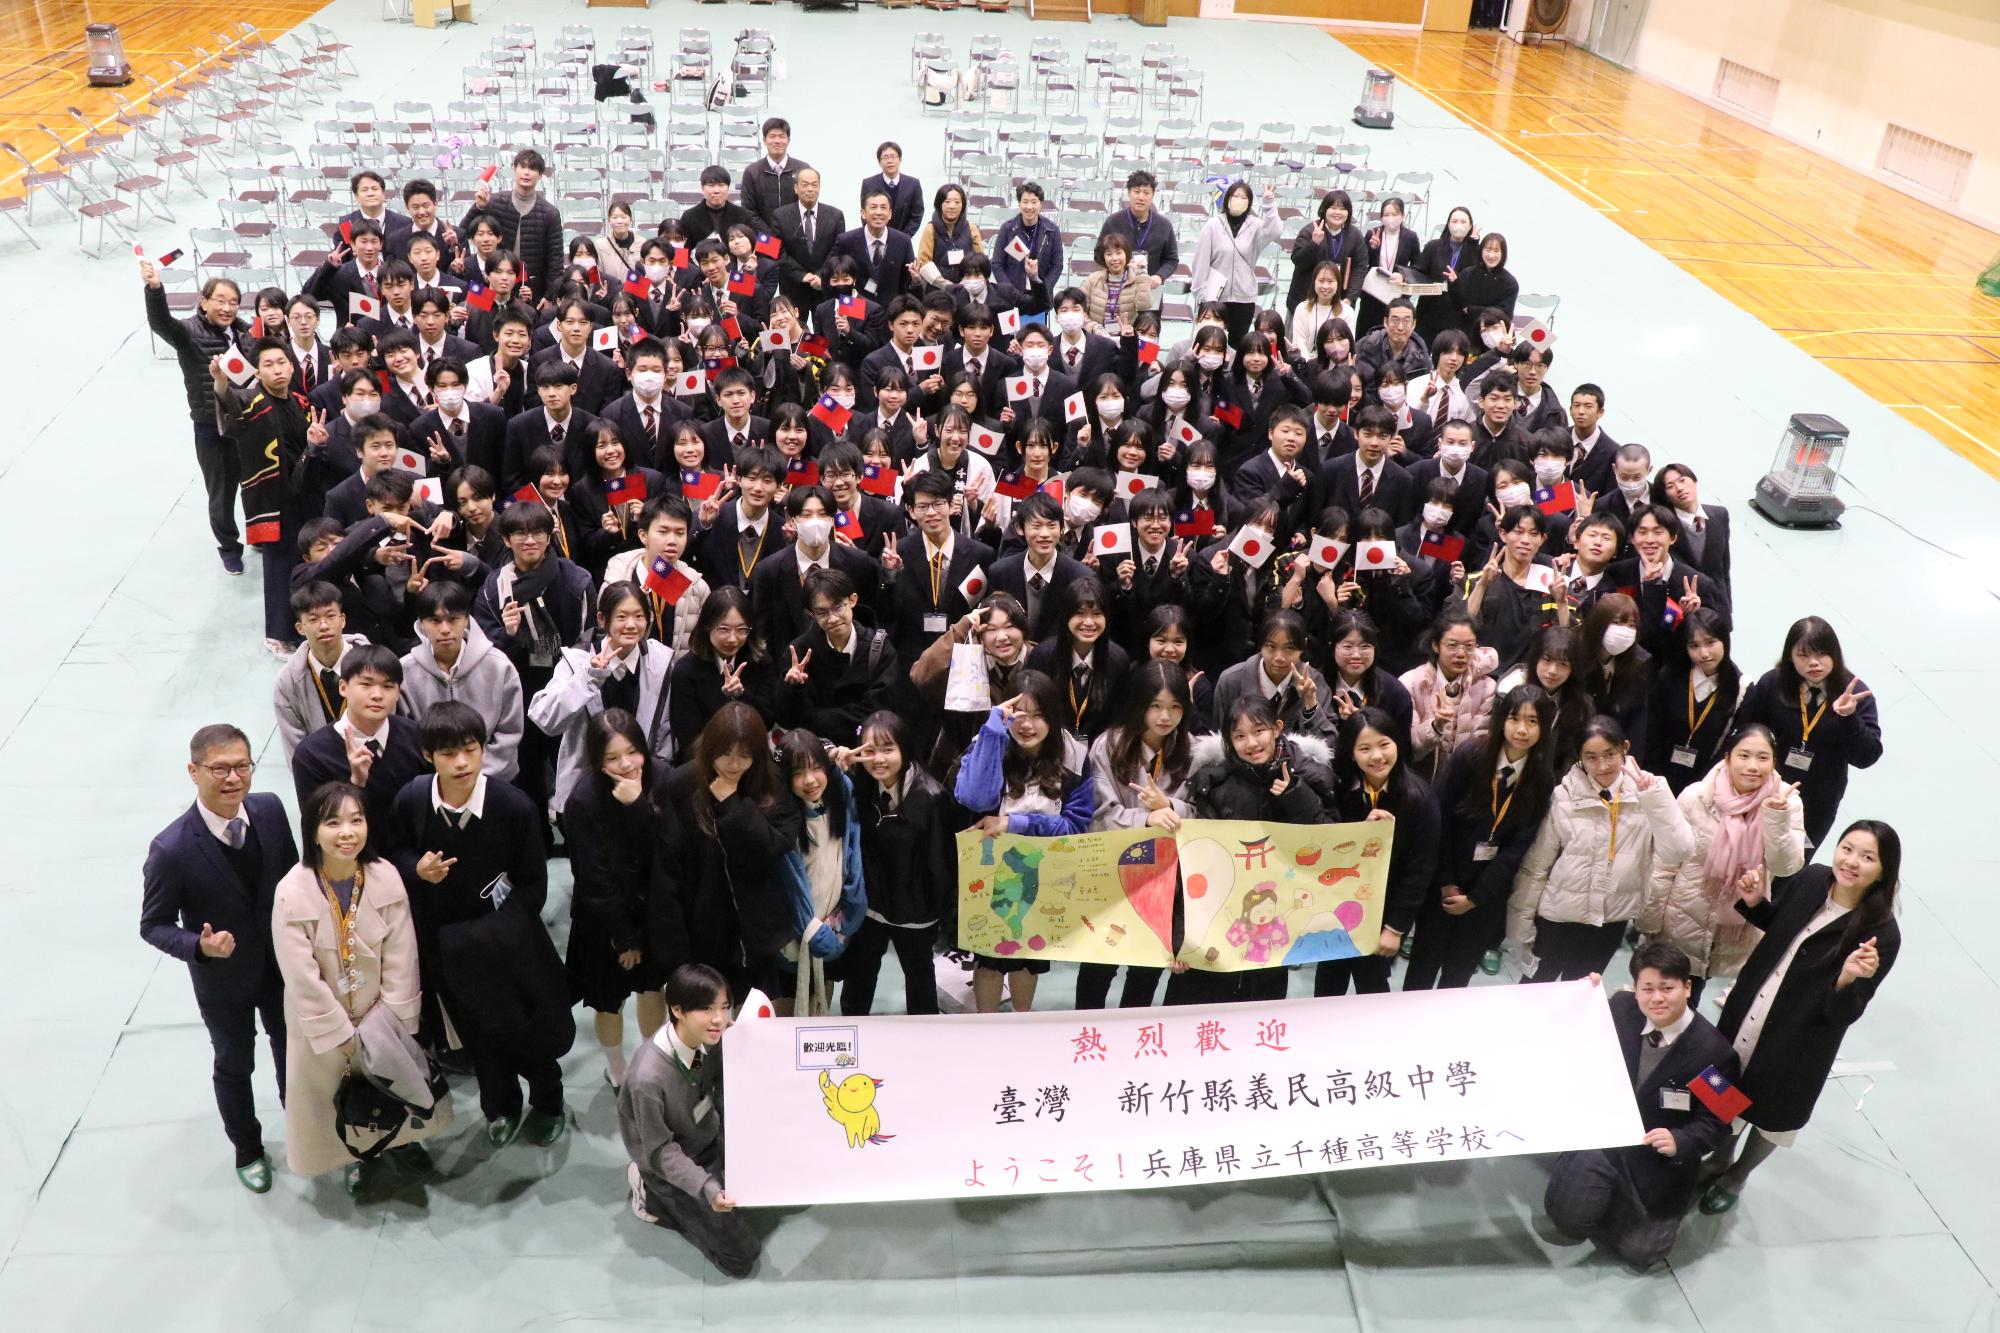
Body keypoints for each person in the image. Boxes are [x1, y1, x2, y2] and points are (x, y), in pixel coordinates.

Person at [1701, 819, 1901, 1214]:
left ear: (1883, 871)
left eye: (1867, 857)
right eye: (1847, 849)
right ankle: (1719, 1157)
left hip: (1798, 1039)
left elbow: (1847, 1011)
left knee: (1773, 1114)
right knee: (1722, 1086)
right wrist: (1756, 902)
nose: (1851, 862)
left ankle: (1737, 1176)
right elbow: (1779, 925)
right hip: (1750, 1007)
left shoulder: (1882, 934)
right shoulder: (1811, 879)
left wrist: (1847, 978)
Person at [392, 701, 568, 1147]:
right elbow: (394, 853)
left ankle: (548, 1102)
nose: (462, 762)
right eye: (449, 753)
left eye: (470, 749)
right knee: (479, 1038)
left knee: (528, 1032)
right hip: (449, 952)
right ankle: (500, 1107)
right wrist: (416, 869)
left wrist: (490, 935)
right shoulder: (412, 799)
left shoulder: (514, 807)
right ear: (428, 755)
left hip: (508, 947)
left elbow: (533, 886)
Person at [139, 725, 300, 1192]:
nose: (233, 778)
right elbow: (153, 924)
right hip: (224, 979)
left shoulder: (270, 810)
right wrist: (199, 947)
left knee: (294, 1050)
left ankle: (303, 1128)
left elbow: (294, 877)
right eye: (220, 769)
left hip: (282, 964)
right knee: (235, 1062)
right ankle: (247, 1147)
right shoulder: (171, 849)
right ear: (194, 772)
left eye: (242, 766)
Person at [272, 781, 446, 1194]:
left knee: (394, 1084)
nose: (347, 832)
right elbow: (300, 975)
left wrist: (391, 1017)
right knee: (330, 1098)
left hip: (381, 1019)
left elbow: (402, 952)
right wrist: (340, 1031)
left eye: (356, 820)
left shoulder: (385, 877)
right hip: (323, 1026)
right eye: (333, 823)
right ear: (313, 832)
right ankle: (347, 1154)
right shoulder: (292, 891)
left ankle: (401, 1143)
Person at [1542, 944, 1738, 1271]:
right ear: (1635, 989)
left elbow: (1721, 1119)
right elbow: (1571, 1027)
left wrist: (1681, 1141)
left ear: (1687, 987)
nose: (1656, 998)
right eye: (1647, 988)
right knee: (1566, 1221)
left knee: (1642, 1254)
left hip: (1659, 1160)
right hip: (1606, 1137)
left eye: (1667, 988)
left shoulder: (1714, 1053)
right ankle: (1582, 1171)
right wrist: (1582, 994)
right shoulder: (1621, 1009)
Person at [1168, 694, 1336, 1005]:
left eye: (1259, 731)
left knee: (1260, 1017)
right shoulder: (1213, 782)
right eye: (1240, 736)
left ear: (1277, 728)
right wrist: (1182, 938)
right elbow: (1193, 867)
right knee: (1199, 1016)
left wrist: (1295, 795)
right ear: (1229, 740)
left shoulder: (1310, 775)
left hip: (1277, 923)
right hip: (1218, 925)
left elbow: (1327, 841)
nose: (1251, 743)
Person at [1507, 715, 1694, 982]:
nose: (1603, 765)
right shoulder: (1564, 797)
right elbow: (1536, 867)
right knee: (1536, 990)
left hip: (1612, 920)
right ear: (1580, 758)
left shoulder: (1648, 794)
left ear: (1625, 748)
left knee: (1584, 992)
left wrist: (1655, 798)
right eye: (1591, 757)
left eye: (1610, 754)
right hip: (1560, 917)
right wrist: (1521, 925)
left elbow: (1679, 851)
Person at [952, 671, 1097, 1013]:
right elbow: (972, 798)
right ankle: (987, 1027)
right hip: (989, 871)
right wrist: (993, 730)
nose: (1027, 725)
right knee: (988, 957)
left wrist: (1013, 824)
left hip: (1044, 874)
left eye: (1038, 715)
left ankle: (1021, 1023)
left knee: (1028, 958)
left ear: (1053, 717)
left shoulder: (1074, 756)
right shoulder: (989, 739)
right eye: (1019, 713)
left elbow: (1075, 828)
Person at [1404, 685, 1558, 990]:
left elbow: (1517, 848)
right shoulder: (1470, 756)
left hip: (1486, 895)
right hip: (1443, 883)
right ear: (1502, 719)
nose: (1522, 729)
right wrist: (1446, 882)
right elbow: (1439, 820)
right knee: (1421, 970)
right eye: (1515, 718)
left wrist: (1476, 898)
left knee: (1458, 976)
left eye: (1533, 721)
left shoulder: (1542, 777)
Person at [1639, 726, 1806, 1001]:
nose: (1753, 766)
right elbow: (1666, 862)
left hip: (1732, 928)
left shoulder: (1787, 803)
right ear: (1728, 757)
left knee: (1690, 1000)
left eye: (1763, 758)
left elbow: (1786, 866)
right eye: (1744, 755)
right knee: (1659, 998)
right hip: (1681, 918)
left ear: (1774, 761)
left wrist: (1776, 818)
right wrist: (1649, 921)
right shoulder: (1696, 796)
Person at [618, 962, 760, 1279]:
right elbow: (660, 1150)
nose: (719, 1019)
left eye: (724, 1006)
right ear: (677, 1010)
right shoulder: (647, 1078)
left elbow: (723, 1085)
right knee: (742, 1257)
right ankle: (650, 1192)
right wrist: (706, 1187)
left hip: (708, 1135)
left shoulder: (712, 1036)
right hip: (671, 1158)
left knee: (769, 1191)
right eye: (707, 1009)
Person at [1077, 660, 1196, 1010]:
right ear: (1139, 704)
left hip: (1165, 877)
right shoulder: (1107, 745)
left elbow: (1203, 812)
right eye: (1155, 705)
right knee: (1099, 961)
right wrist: (1146, 819)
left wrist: (1170, 806)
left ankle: (1134, 1028)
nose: (1165, 716)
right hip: (1114, 873)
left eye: (1175, 707)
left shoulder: (1193, 749)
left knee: (1148, 965)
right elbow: (1097, 815)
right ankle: (1086, 1027)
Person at [566, 709, 668, 1087]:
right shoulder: (583, 799)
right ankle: (617, 1069)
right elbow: (593, 878)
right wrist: (624, 937)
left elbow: (669, 848)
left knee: (652, 989)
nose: (625, 764)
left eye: (632, 752)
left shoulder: (663, 777)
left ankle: (651, 1064)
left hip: (652, 909)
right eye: (612, 757)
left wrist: (639, 806)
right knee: (609, 1000)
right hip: (604, 920)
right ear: (597, 760)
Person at [1316, 705, 1440, 996]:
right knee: (1328, 983)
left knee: (1372, 984)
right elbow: (1324, 844)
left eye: (1384, 744)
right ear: (1351, 753)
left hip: (1383, 912)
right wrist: (1361, 832)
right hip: (1336, 906)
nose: (1377, 756)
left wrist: (1395, 928)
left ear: (1397, 743)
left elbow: (1419, 872)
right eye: (1365, 748)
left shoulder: (1419, 799)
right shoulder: (1337, 789)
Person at [837, 711, 954, 1016]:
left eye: (888, 749)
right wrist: (836, 764)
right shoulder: (859, 786)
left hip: (915, 911)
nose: (879, 759)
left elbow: (942, 865)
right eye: (869, 751)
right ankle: (853, 1032)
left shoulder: (931, 797)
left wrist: (938, 914)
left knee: (919, 979)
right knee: (859, 975)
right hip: (871, 904)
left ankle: (924, 1035)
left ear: (904, 748)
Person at [1736, 616, 1881, 854]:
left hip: (1818, 802)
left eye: (1822, 654)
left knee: (1794, 863)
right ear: (1790, 657)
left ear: (1835, 654)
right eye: (1803, 655)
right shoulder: (1772, 683)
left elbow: (1866, 757)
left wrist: (1849, 718)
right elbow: (1746, 733)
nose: (1814, 663)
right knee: (1747, 856)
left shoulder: (1855, 693)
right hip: (1764, 789)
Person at [529, 583, 675, 814]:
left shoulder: (661, 662)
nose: (631, 624)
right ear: (602, 619)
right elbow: (545, 718)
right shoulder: (576, 660)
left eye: (639, 616)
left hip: (641, 788)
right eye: (622, 617)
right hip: (586, 792)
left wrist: (655, 785)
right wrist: (588, 677)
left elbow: (665, 733)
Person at [141, 259, 247, 574]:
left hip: (246, 423)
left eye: (233, 302)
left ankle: (259, 533)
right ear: (203, 301)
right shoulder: (188, 332)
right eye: (220, 300)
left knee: (256, 485)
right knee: (221, 493)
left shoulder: (244, 332)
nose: (227, 308)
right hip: (212, 428)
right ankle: (229, 547)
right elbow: (161, 323)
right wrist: (154, 289)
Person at [1190, 180, 1282, 343]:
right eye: (1235, 196)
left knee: (1237, 344)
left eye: (1244, 197)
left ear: (1249, 202)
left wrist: (1268, 204)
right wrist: (1201, 294)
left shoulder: (1255, 225)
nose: (1239, 200)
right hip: (1215, 297)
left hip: (1244, 298)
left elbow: (1275, 231)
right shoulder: (1213, 225)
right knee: (1211, 342)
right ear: (1228, 199)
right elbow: (1200, 262)